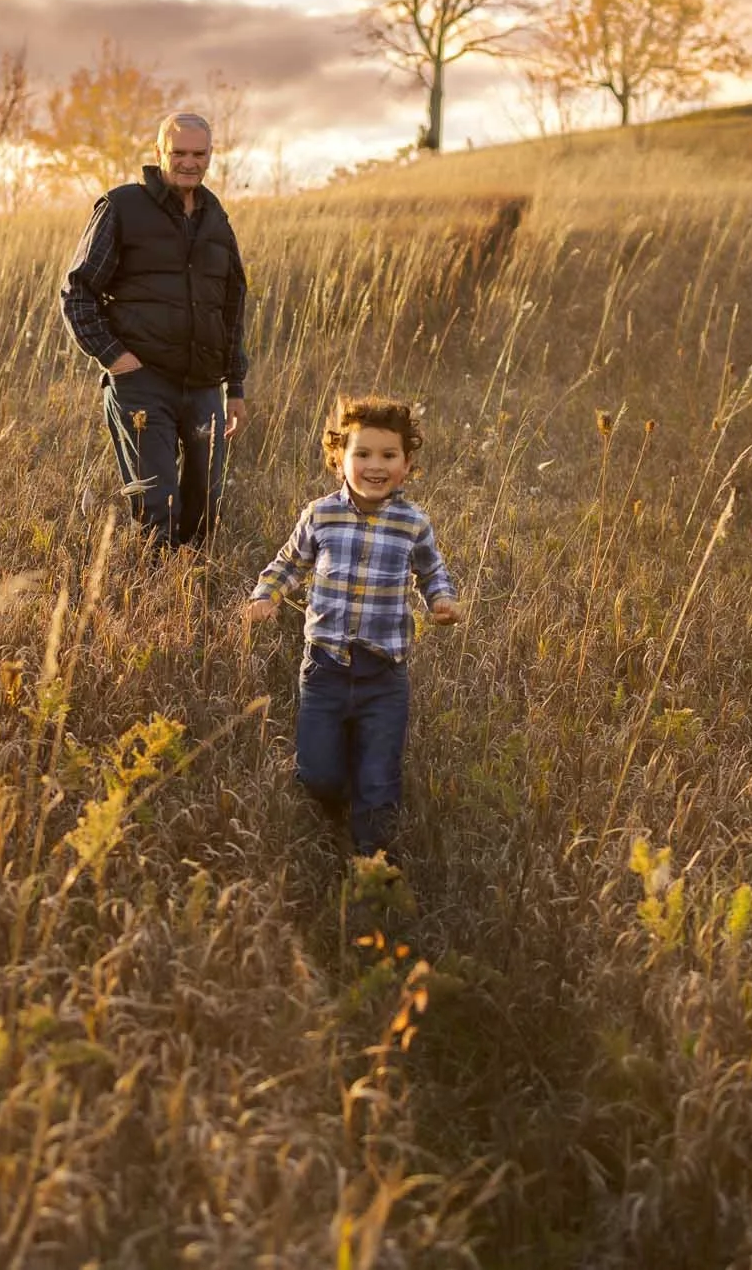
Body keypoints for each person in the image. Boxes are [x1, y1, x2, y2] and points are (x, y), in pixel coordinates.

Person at [243, 395, 461, 860]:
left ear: (407, 464)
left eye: (388, 455)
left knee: (379, 779)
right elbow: (289, 563)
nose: (374, 465)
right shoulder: (321, 514)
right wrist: (266, 595)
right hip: (325, 670)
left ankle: (371, 860)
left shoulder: (413, 523)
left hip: (384, 675)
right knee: (318, 773)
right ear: (339, 457)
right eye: (362, 454)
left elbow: (431, 570)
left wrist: (440, 599)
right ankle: (332, 806)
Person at [60, 111, 249, 547]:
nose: (189, 162)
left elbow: (231, 305)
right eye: (178, 152)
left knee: (205, 507)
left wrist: (234, 385)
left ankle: (193, 597)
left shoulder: (215, 217)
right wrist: (115, 358)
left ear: (210, 156)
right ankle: (157, 597)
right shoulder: (122, 207)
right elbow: (78, 291)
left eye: (198, 153)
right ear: (158, 153)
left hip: (204, 386)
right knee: (159, 508)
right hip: (143, 384)